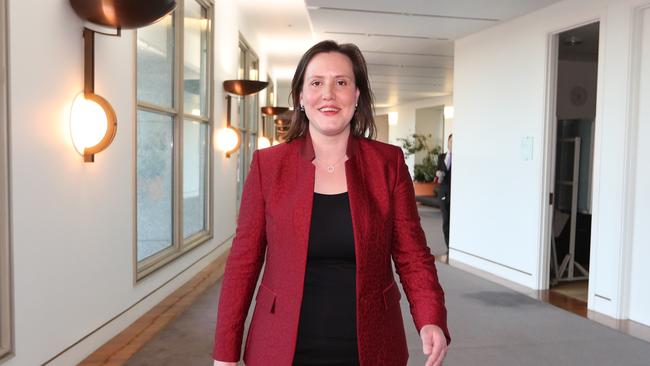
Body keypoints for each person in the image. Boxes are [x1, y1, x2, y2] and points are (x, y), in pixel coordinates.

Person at [213, 40, 450, 366]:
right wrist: (226, 351)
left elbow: (412, 255)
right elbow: (243, 262)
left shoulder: (388, 163)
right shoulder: (269, 166)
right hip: (281, 343)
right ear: (300, 96)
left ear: (356, 96)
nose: (328, 94)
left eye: (341, 82)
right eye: (316, 83)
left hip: (372, 342)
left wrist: (430, 316)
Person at [436, 134, 453, 249]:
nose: (453, 144)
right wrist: (438, 173)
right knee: (446, 220)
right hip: (444, 193)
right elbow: (437, 171)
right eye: (451, 141)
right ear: (448, 143)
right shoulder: (441, 157)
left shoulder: (461, 158)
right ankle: (448, 246)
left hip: (456, 194)